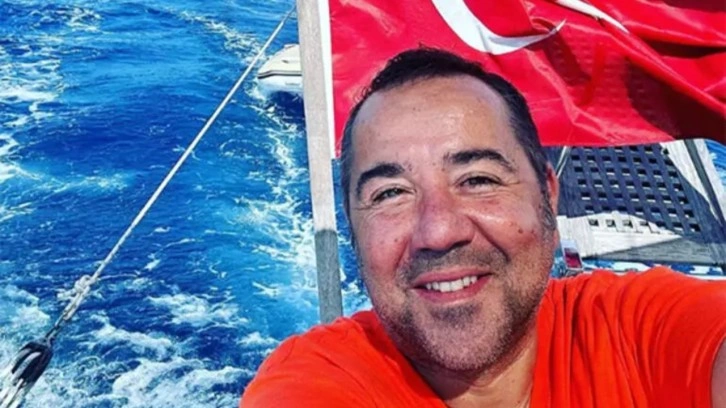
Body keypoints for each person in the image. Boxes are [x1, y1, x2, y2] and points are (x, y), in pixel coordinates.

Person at [241, 48, 726, 407]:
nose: (439, 231)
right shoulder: (321, 379)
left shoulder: (638, 332)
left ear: (547, 197)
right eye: (390, 193)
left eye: (478, 180)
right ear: (353, 229)